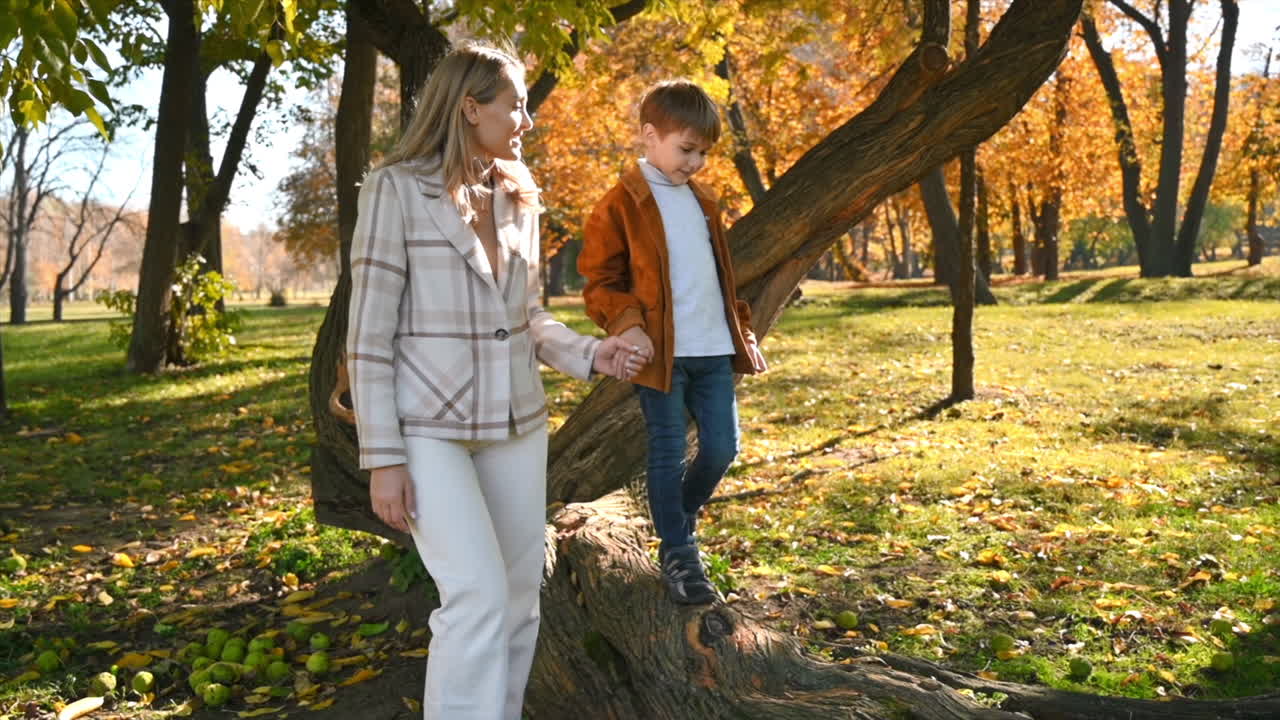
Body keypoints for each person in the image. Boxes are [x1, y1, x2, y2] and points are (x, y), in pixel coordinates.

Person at [346, 42, 649, 720]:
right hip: (428, 431)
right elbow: (368, 338)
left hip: (518, 423)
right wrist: (384, 457)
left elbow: (528, 315)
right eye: (517, 105)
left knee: (517, 601)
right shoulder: (394, 189)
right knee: (476, 597)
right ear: (469, 106)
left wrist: (589, 353)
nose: (528, 121)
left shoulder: (519, 192)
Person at [577, 79, 767, 606]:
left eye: (703, 152)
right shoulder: (619, 205)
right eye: (687, 149)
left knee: (723, 448)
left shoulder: (703, 202)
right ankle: (679, 553)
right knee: (666, 450)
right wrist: (628, 324)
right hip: (660, 355)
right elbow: (598, 279)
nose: (696, 162)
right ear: (648, 135)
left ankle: (676, 516)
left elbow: (716, 278)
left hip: (711, 350)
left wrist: (740, 331)